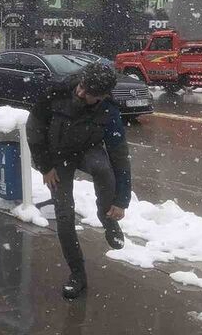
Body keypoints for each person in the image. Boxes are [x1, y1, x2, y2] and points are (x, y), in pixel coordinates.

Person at [26, 62, 131, 300]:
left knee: (104, 169)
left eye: (89, 94)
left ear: (103, 97)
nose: (81, 93)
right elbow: (34, 127)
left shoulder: (109, 112)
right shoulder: (58, 91)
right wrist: (45, 166)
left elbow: (120, 156)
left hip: (87, 150)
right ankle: (77, 274)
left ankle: (109, 220)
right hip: (57, 157)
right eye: (82, 86)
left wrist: (121, 200)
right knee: (64, 215)